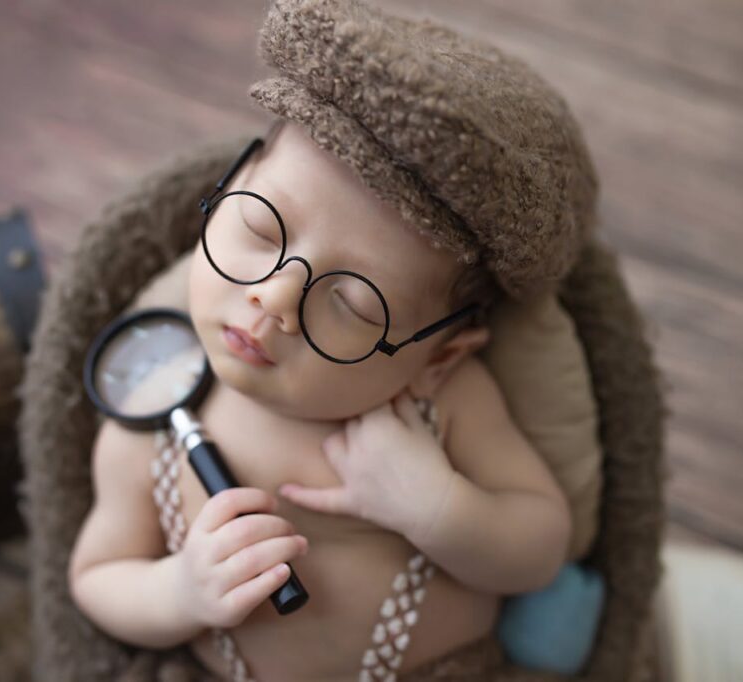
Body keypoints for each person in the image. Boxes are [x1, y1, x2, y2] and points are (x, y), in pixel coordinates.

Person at [68, 1, 598, 679]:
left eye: (350, 303)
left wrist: (438, 507)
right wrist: (181, 591)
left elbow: (543, 545)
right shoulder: (155, 409)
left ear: (437, 356)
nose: (274, 298)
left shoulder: (441, 406)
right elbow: (98, 576)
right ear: (226, 189)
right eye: (260, 229)